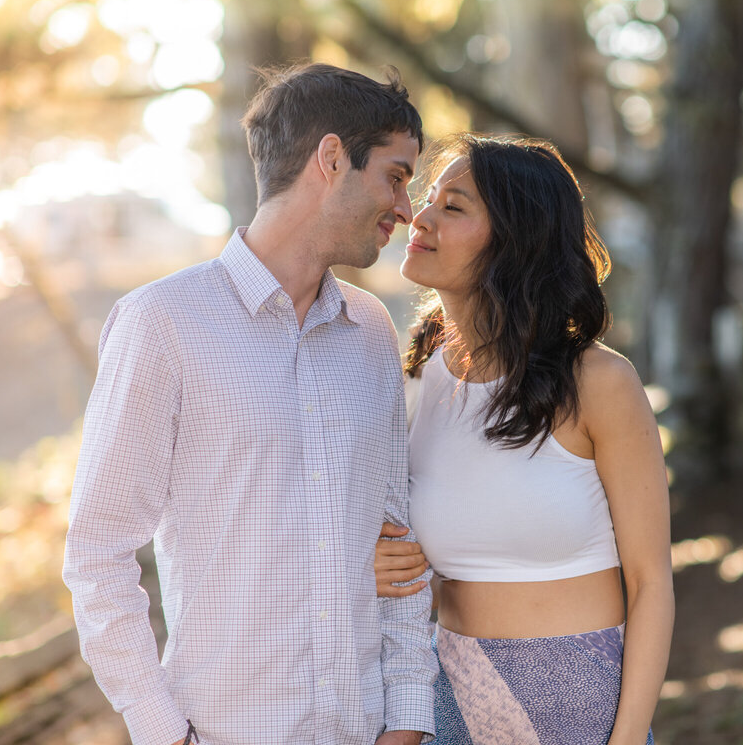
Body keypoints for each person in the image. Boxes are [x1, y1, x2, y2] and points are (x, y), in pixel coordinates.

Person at [62, 63, 437, 745]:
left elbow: (397, 541)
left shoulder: (371, 329)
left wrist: (408, 719)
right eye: (396, 175)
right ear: (331, 159)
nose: (407, 209)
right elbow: (97, 552)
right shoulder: (161, 323)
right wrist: (162, 733)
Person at [375, 133, 674, 744]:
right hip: (450, 704)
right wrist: (374, 562)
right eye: (426, 197)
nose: (418, 215)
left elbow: (651, 583)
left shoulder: (598, 382)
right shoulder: (408, 380)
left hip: (583, 710)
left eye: (453, 206)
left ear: (517, 240)